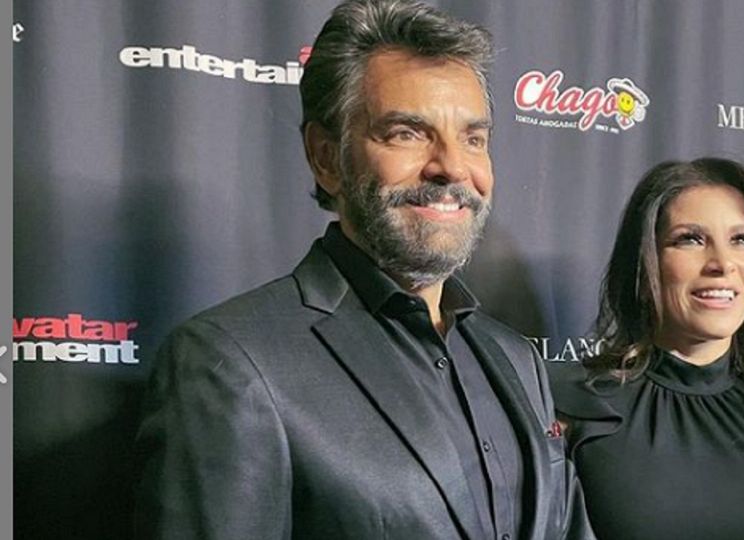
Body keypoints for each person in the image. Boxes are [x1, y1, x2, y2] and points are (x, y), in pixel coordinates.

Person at [134, 1, 593, 538]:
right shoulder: (228, 366)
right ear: (326, 158)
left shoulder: (517, 360)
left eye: (473, 138)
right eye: (406, 133)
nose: (451, 166)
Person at [548, 158, 744, 540]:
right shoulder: (573, 408)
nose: (722, 264)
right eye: (690, 239)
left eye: (741, 240)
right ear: (645, 264)